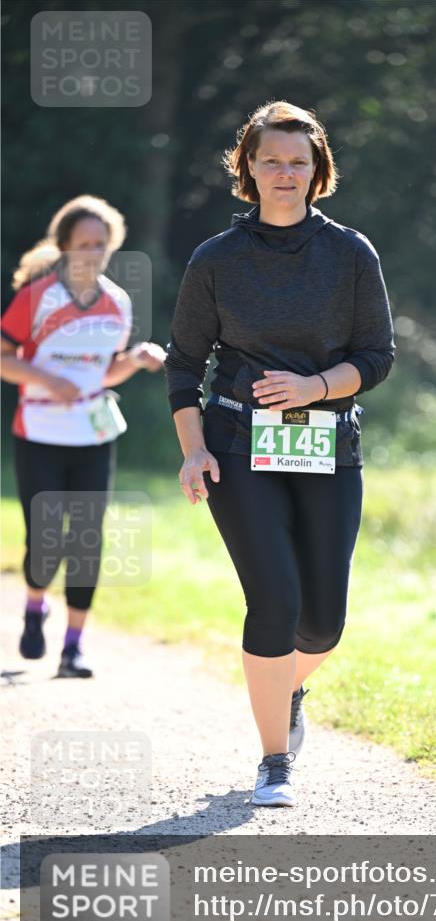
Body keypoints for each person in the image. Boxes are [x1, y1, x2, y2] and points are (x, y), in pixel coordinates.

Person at [164, 101, 396, 806]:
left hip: (328, 443)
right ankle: (273, 763)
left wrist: (313, 384)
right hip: (236, 445)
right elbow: (183, 364)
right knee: (273, 599)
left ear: (317, 170)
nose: (284, 173)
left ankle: (284, 686)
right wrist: (192, 450)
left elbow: (377, 357)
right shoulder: (216, 259)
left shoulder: (351, 253)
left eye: (298, 161)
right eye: (270, 159)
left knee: (322, 620)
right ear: (248, 168)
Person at [1, 194, 165, 678]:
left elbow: (105, 372)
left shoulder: (118, 301)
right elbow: (4, 356)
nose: (92, 252)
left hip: (93, 435)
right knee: (46, 540)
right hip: (40, 430)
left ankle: (73, 647)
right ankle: (35, 607)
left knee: (87, 542)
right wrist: (49, 380)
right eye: (83, 243)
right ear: (65, 246)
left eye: (101, 243)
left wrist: (134, 361)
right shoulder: (37, 296)